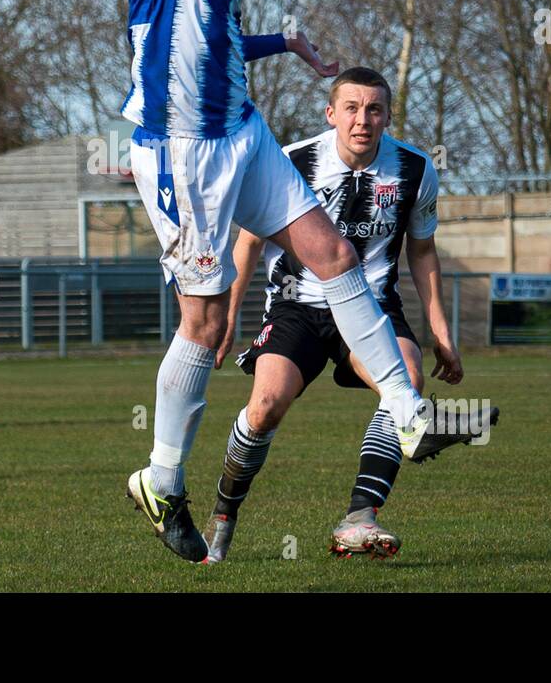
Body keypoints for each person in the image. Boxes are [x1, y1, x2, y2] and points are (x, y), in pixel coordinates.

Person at [111, 0, 429, 564]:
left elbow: (215, 36)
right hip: (183, 148)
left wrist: (282, 45)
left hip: (241, 134)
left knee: (332, 251)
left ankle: (409, 411)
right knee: (205, 320)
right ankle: (161, 475)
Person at [206, 67, 497, 561]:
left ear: (387, 115)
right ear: (331, 114)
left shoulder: (416, 169)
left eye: (374, 109)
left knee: (405, 377)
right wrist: (226, 314)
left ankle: (360, 519)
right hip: (299, 307)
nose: (363, 119)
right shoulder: (290, 161)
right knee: (265, 407)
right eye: (352, 108)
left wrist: (441, 333)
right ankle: (223, 512)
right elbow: (249, 239)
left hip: (373, 304)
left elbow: (422, 252)